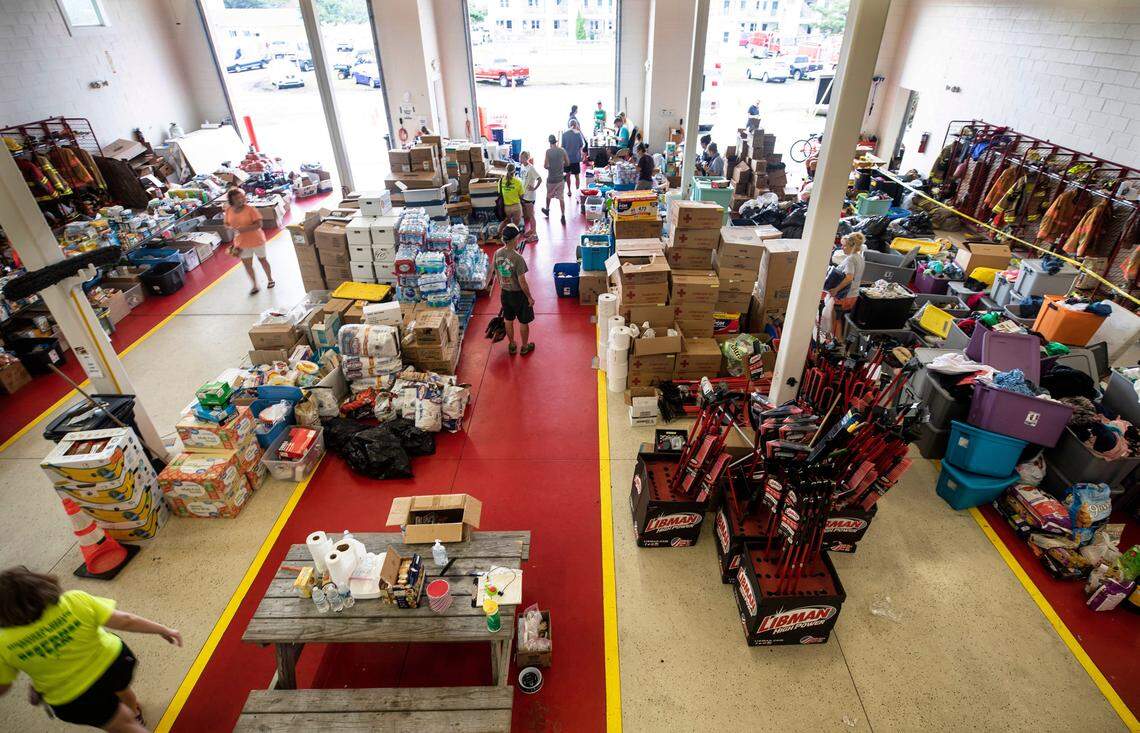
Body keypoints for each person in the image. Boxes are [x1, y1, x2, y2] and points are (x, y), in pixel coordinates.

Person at [0, 567, 183, 732]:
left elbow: (3, 686)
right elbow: (126, 620)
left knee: (123, 725)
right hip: (115, 664)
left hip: (75, 699)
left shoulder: (3, 643)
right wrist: (164, 629)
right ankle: (134, 711)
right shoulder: (73, 600)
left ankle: (129, 722)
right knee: (119, 686)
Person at [492, 224, 535, 355]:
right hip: (518, 295)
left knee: (508, 320)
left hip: (505, 293)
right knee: (523, 321)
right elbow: (522, 282)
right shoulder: (518, 258)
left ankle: (511, 345)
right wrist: (529, 297)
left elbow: (497, 273)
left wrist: (503, 285)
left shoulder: (497, 253)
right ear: (515, 238)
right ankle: (525, 346)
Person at [224, 188, 274, 295]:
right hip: (241, 242)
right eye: (237, 198)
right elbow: (226, 223)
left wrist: (243, 229)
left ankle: (270, 279)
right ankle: (255, 285)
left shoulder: (250, 209)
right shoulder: (228, 210)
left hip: (257, 240)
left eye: (242, 197)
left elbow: (259, 225)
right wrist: (230, 227)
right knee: (247, 264)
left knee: (263, 260)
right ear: (231, 200)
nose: (241, 199)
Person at [827, 232, 866, 338]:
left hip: (845, 295)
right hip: (854, 294)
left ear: (852, 246)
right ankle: (839, 341)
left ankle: (836, 342)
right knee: (842, 319)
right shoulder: (860, 258)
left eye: (844, 245)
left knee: (836, 320)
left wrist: (836, 289)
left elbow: (849, 277)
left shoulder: (850, 259)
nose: (842, 247)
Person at [541, 134, 569, 225]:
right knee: (561, 198)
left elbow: (545, 166)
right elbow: (567, 163)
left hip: (551, 179)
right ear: (556, 141)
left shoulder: (548, 152)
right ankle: (563, 215)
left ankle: (547, 210)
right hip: (560, 179)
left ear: (549, 142)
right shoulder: (562, 150)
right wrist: (561, 165)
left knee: (549, 195)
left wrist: (550, 166)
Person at [518, 151, 541, 245]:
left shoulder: (531, 168)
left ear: (527, 158)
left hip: (530, 196)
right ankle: (531, 230)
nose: (520, 159)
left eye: (523, 157)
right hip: (524, 194)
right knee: (528, 213)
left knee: (531, 215)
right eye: (520, 157)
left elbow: (540, 179)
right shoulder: (522, 166)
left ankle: (534, 233)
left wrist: (534, 188)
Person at [496, 163, 525, 238]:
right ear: (514, 171)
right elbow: (522, 195)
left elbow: (500, 193)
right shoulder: (518, 182)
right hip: (516, 207)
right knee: (515, 225)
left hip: (506, 207)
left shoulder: (501, 181)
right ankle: (513, 238)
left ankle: (499, 233)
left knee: (506, 221)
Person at [560, 120, 587, 197]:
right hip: (575, 158)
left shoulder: (564, 134)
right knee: (577, 176)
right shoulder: (577, 134)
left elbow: (563, 147)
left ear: (569, 125)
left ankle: (569, 191)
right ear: (575, 125)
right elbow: (581, 145)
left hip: (567, 158)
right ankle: (577, 192)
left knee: (568, 175)